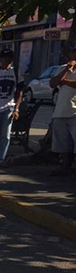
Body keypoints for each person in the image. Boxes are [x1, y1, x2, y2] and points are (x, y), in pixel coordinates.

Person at [48, 47, 76, 177]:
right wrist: (66, 70)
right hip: (60, 111)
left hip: (74, 112)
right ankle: (65, 167)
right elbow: (53, 83)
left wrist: (65, 82)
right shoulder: (63, 68)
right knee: (62, 142)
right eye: (73, 52)